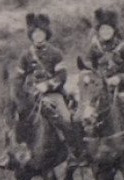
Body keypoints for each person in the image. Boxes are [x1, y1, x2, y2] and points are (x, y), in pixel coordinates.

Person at [17, 11, 85, 162]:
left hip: (53, 94)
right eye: (35, 33)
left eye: (41, 33)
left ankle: (75, 153)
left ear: (46, 34)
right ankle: (16, 153)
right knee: (18, 119)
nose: (38, 36)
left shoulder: (55, 53)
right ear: (31, 35)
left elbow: (62, 75)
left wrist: (47, 86)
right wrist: (20, 95)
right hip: (32, 95)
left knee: (67, 120)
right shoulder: (25, 55)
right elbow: (18, 78)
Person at [85, 7, 124, 131]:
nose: (105, 31)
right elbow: (88, 67)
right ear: (98, 31)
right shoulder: (94, 48)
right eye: (102, 29)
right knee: (81, 117)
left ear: (114, 30)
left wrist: (119, 78)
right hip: (100, 91)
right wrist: (91, 77)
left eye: (108, 28)